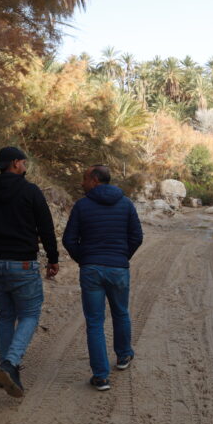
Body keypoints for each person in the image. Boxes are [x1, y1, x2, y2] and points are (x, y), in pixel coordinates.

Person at [0, 146, 59, 398]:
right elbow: (46, 228)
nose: (25, 166)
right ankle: (10, 364)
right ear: (16, 163)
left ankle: (5, 371)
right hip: (23, 264)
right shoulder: (30, 191)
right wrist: (53, 259)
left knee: (6, 315)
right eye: (24, 162)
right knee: (29, 315)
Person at [62, 165, 143, 391]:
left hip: (91, 270)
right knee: (121, 312)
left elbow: (69, 239)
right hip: (118, 268)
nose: (82, 183)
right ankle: (124, 356)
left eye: (85, 179)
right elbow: (137, 236)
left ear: (95, 180)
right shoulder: (126, 203)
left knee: (95, 323)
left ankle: (101, 376)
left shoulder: (82, 205)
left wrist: (85, 259)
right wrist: (121, 256)